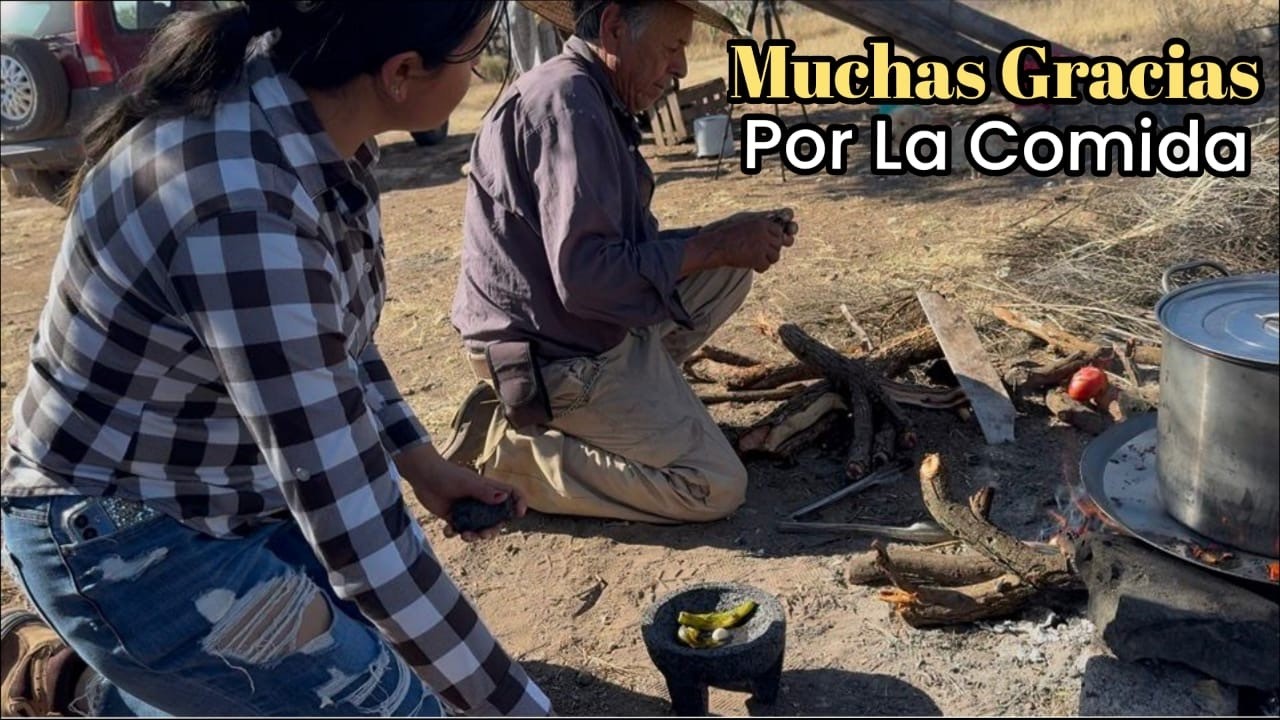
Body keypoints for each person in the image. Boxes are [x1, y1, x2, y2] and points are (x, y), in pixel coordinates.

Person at [0, 2, 551, 716]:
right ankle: (74, 681)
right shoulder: (239, 201)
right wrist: (524, 710)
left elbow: (331, 340)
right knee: (406, 708)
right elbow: (364, 544)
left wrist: (424, 466)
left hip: (224, 488)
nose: (484, 69)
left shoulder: (301, 127)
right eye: (479, 52)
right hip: (123, 537)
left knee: (393, 677)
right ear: (402, 73)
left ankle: (104, 679)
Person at [446, 0, 801, 526]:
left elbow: (620, 252)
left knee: (727, 263)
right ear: (614, 27)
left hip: (575, 325)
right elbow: (588, 278)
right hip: (553, 357)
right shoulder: (569, 105)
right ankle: (513, 455)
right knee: (713, 485)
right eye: (672, 48)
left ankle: (639, 397)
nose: (680, 68)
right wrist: (715, 244)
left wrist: (728, 238)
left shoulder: (588, 94)